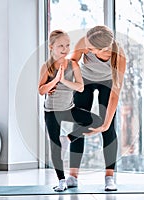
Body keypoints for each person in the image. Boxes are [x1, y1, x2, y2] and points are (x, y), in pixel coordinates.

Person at [38, 30, 102, 192]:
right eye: (60, 46)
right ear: (51, 47)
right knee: (55, 147)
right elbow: (41, 90)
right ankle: (61, 180)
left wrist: (63, 80)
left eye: (67, 45)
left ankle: (69, 138)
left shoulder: (73, 65)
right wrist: (54, 82)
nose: (65, 49)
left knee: (95, 120)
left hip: (68, 109)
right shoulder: (47, 66)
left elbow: (80, 87)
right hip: (51, 111)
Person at [67, 25, 126, 191]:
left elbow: (115, 93)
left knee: (109, 129)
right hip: (85, 79)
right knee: (79, 125)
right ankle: (73, 176)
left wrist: (106, 123)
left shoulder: (119, 57)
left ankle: (109, 177)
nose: (87, 48)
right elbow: (72, 61)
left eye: (91, 49)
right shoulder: (85, 41)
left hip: (107, 83)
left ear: (103, 49)